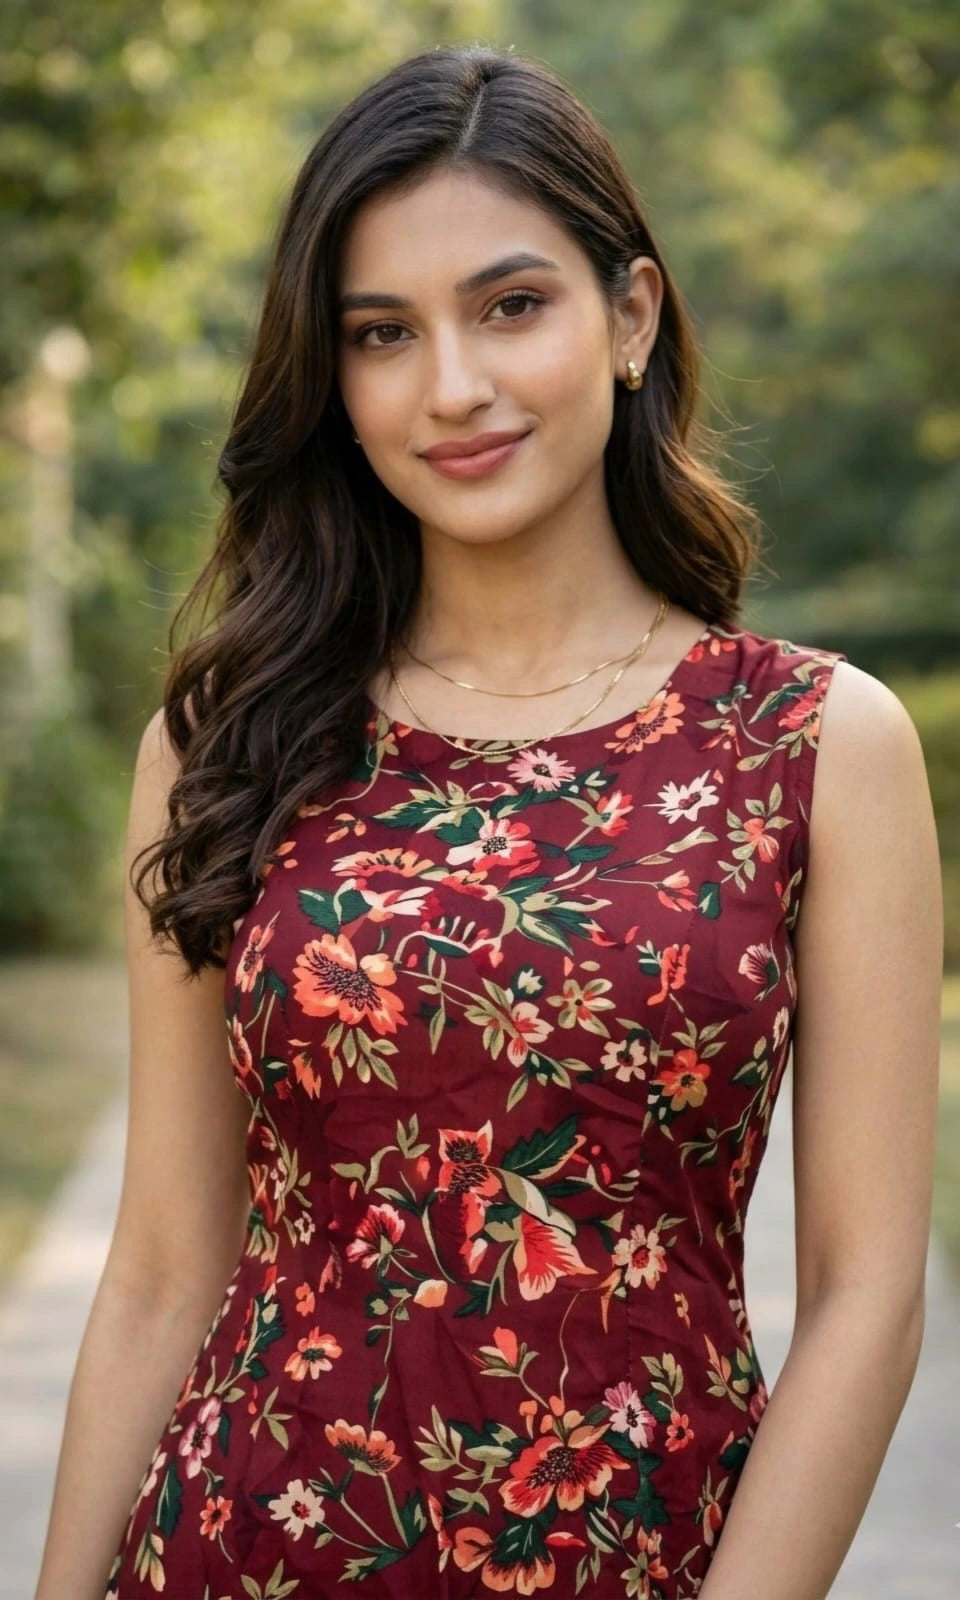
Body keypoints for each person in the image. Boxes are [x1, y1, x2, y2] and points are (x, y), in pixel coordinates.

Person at [35, 43, 942, 1600]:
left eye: (510, 306)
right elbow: (165, 1268)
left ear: (633, 317)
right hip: (243, 1551)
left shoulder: (812, 742)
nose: (449, 387)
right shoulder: (228, 740)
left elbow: (868, 1293)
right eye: (382, 336)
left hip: (643, 1559)